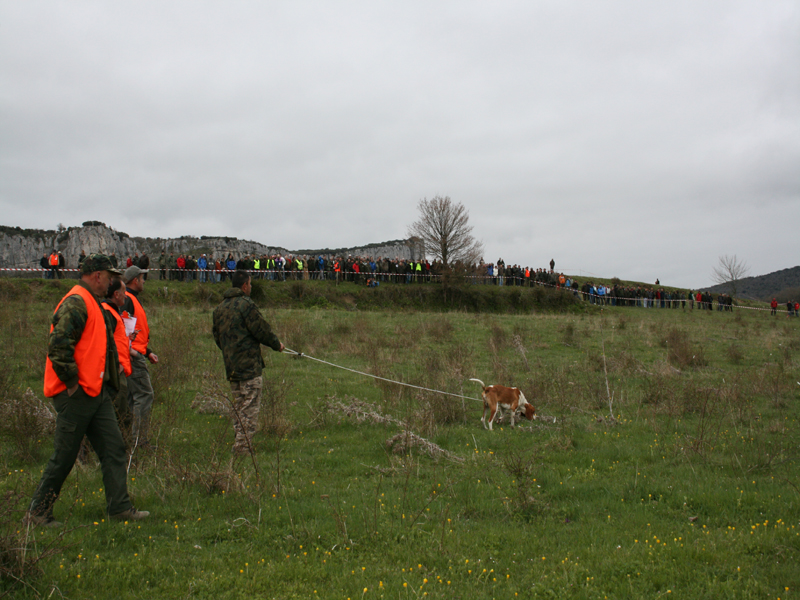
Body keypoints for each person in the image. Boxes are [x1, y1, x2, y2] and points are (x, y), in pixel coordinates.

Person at [25, 254, 149, 527]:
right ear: (97, 276)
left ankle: (120, 508)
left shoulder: (92, 302)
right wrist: (71, 386)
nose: (112, 282)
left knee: (114, 448)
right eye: (109, 277)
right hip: (78, 395)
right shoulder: (76, 302)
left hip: (96, 393)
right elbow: (58, 347)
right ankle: (37, 513)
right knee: (65, 455)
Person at [212, 270, 284, 455]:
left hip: (232, 366)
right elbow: (261, 330)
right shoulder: (246, 305)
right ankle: (242, 448)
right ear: (244, 286)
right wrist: (277, 345)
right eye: (250, 284)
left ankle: (240, 442)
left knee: (239, 406)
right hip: (249, 367)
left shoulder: (219, 309)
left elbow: (217, 337)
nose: (251, 287)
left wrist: (230, 352)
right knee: (249, 408)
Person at [122, 265, 159, 450]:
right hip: (132, 357)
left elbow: (135, 333)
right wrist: (134, 352)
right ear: (135, 280)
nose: (144, 282)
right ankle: (139, 442)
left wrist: (147, 351)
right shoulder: (128, 300)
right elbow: (123, 332)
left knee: (133, 398)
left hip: (135, 353)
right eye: (142, 279)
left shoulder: (131, 299)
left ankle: (130, 438)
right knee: (144, 395)